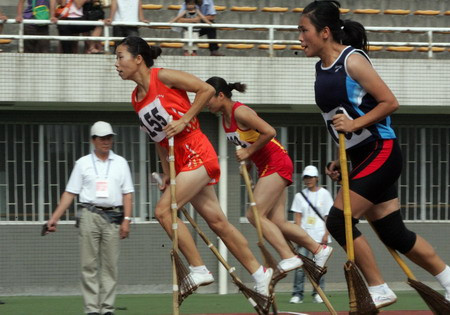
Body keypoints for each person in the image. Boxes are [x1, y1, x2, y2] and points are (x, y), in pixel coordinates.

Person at [297, 0, 450, 308]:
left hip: (382, 151)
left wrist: (354, 124)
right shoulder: (320, 68)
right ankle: (448, 278)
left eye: (304, 30)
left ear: (325, 32)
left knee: (338, 221)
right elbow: (340, 120)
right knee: (395, 234)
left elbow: (388, 102)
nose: (299, 38)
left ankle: (379, 287)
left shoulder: (352, 61)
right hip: (360, 156)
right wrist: (341, 161)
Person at [114, 36, 273, 297]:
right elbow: (158, 140)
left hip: (197, 150)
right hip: (180, 160)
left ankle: (199, 268)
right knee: (218, 222)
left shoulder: (162, 76)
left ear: (138, 59)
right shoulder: (136, 98)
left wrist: (185, 119)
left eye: (120, 57)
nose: (116, 64)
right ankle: (260, 274)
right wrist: (168, 174)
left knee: (163, 211)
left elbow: (206, 90)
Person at [205, 76, 333, 277]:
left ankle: (288, 256)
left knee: (254, 214)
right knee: (279, 222)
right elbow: (249, 141)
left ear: (221, 95)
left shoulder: (240, 111)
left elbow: (269, 132)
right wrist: (248, 162)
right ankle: (318, 249)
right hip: (265, 166)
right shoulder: (225, 119)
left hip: (276, 162)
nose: (205, 103)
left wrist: (248, 153)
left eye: (208, 99)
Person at [45, 121, 134, 315]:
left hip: (113, 216)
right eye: (102, 138)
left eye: (109, 137)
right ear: (93, 140)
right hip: (89, 215)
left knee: (110, 265)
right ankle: (92, 309)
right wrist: (54, 218)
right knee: (88, 264)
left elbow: (127, 193)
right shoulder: (83, 163)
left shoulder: (120, 163)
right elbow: (70, 193)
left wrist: (127, 220)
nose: (106, 142)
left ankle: (107, 308)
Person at [289, 165, 333, 304]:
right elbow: (297, 218)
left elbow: (328, 216)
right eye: (306, 178)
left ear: (316, 178)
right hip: (304, 237)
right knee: (301, 267)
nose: (308, 180)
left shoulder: (324, 194)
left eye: (311, 177)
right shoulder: (299, 196)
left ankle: (318, 293)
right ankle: (297, 294)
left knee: (318, 267)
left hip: (320, 236)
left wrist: (326, 234)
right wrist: (297, 236)